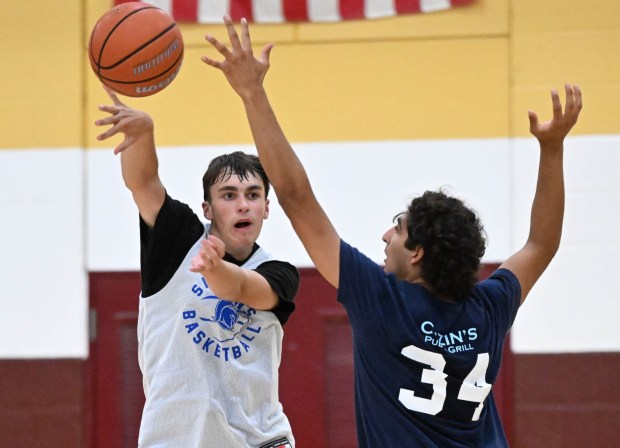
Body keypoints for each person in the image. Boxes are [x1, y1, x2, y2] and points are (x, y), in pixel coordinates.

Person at [201, 17, 583, 447]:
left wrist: (252, 92)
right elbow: (542, 244)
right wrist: (553, 150)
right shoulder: (488, 307)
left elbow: (294, 196)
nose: (385, 235)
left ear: (417, 252)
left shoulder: (382, 301)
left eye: (398, 229)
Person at [95, 86, 299, 448]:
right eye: (229, 195)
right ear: (207, 208)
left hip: (259, 440)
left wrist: (214, 269)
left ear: (267, 207)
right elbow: (142, 183)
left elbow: (241, 289)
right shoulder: (178, 241)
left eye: (253, 195)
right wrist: (142, 134)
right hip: (176, 438)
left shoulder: (279, 272)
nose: (243, 206)